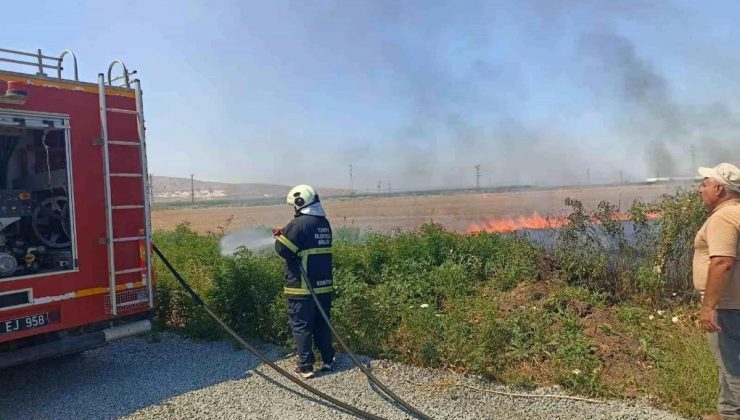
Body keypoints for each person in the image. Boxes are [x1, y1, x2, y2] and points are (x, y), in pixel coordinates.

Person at [273, 184, 335, 379]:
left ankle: (306, 366)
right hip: (324, 286)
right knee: (322, 323)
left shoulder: (299, 223)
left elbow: (283, 250)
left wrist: (281, 237)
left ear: (300, 202)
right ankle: (328, 359)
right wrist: (285, 233)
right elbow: (305, 242)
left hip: (302, 287)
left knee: (301, 325)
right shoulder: (323, 223)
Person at [694, 163, 740, 420]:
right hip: (735, 302)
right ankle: (726, 413)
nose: (700, 189)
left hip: (728, 305)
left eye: (705, 184)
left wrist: (709, 306)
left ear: (719, 189)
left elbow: (722, 262)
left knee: (733, 365)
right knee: (727, 359)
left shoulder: (723, 217)